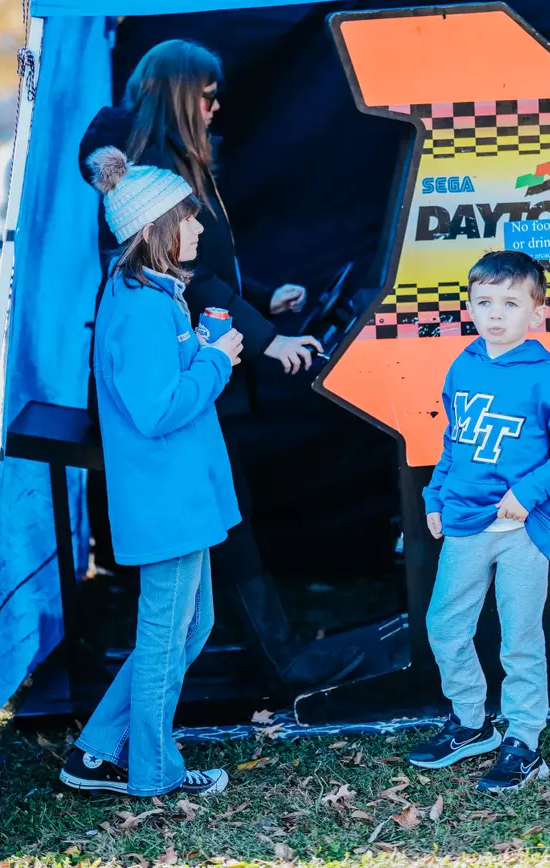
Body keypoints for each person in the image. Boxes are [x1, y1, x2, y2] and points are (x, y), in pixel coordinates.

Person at [79, 39, 362, 691]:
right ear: (179, 93)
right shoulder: (144, 166)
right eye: (207, 95)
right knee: (221, 513)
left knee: (228, 507)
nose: (215, 107)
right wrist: (266, 339)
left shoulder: (179, 162)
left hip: (197, 364)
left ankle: (261, 650)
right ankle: (274, 658)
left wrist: (263, 296)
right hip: (176, 373)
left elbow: (208, 265)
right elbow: (189, 275)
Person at [61, 146, 242, 797]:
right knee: (169, 636)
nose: (197, 229)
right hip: (167, 502)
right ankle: (154, 773)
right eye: (187, 218)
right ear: (153, 227)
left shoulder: (149, 293)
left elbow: (156, 383)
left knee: (190, 628)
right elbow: (157, 409)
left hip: (181, 497)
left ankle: (94, 753)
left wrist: (197, 344)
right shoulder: (138, 305)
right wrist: (216, 361)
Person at [407, 251, 550, 792]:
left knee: (518, 638)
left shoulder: (549, 379)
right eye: (485, 302)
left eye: (511, 303)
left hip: (522, 531)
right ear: (470, 306)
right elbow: (455, 439)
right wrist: (435, 495)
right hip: (465, 525)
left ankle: (524, 740)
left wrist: (528, 490)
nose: (495, 314)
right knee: (445, 626)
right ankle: (472, 724)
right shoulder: (464, 365)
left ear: (536, 314)